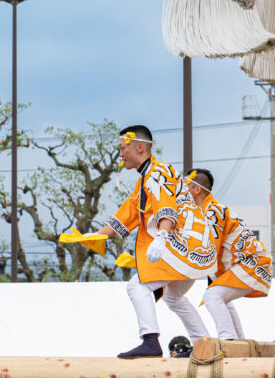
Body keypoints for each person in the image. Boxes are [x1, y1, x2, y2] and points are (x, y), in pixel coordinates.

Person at [91, 126, 216, 358]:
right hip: (195, 249)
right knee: (173, 297)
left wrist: (161, 237)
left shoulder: (158, 172)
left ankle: (150, 341)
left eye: (123, 148)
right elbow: (125, 217)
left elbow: (165, 205)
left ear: (140, 147)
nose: (120, 154)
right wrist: (93, 236)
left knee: (136, 286)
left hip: (181, 245)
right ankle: (204, 345)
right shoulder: (147, 179)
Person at [184, 167, 273, 340]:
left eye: (184, 186)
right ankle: (238, 341)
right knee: (220, 298)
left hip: (251, 263)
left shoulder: (213, 211)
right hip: (248, 264)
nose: (180, 191)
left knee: (212, 296)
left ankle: (229, 339)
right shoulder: (206, 211)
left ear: (197, 189)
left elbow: (209, 248)